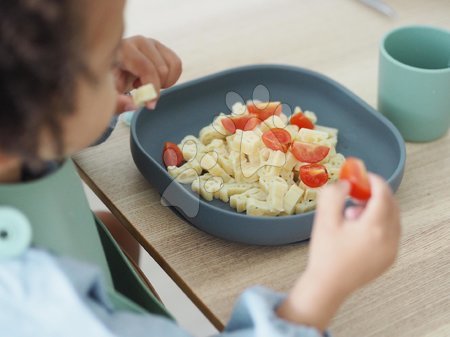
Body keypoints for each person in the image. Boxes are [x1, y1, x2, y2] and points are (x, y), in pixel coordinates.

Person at [0, 0, 401, 336]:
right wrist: (323, 289)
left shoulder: (15, 127)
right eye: (107, 54)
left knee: (117, 230)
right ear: (46, 97)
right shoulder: (56, 317)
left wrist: (97, 93)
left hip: (69, 235)